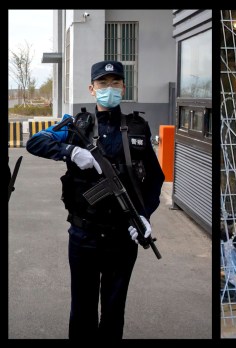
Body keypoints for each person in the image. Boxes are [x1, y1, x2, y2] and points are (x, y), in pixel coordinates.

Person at [26, 60, 165, 339]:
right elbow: (35, 141)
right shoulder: (76, 125)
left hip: (123, 237)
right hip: (83, 235)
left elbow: (155, 179)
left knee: (114, 311)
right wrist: (70, 151)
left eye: (115, 83)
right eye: (103, 83)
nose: (109, 89)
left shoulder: (138, 128)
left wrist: (145, 216)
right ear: (92, 89)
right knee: (82, 311)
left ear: (123, 87)